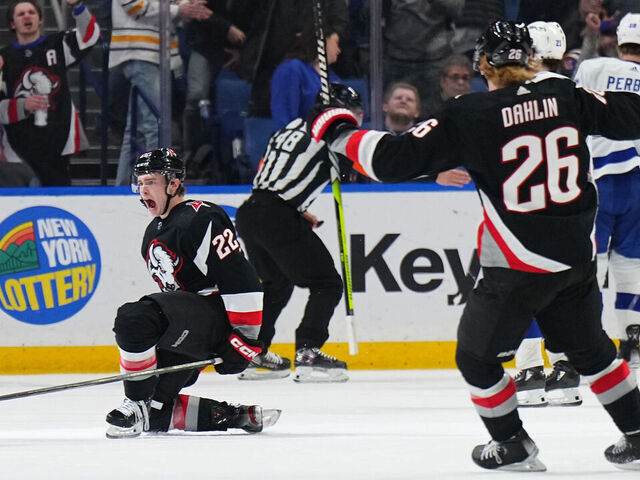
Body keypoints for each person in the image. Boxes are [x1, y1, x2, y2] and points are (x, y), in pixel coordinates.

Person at [310, 20, 640, 471]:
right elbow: (630, 115)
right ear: (528, 60)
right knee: (594, 353)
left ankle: (512, 444)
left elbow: (392, 160)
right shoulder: (567, 95)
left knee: (475, 357)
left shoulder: (471, 113)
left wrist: (338, 133)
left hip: (519, 265)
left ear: (483, 64)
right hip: (574, 258)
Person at [105, 148, 280, 438]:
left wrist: (245, 339)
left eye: (150, 181)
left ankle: (134, 403)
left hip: (214, 318)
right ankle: (234, 415)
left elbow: (240, 277)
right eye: (140, 182)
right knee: (157, 411)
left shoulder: (201, 217)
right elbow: (173, 295)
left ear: (173, 184)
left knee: (134, 318)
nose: (143, 189)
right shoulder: (152, 232)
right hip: (189, 325)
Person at [233, 83, 360, 383]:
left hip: (251, 211)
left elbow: (275, 176)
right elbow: (361, 166)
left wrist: (296, 209)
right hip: (277, 215)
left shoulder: (290, 127)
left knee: (277, 283)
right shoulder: (332, 135)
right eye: (355, 114)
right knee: (327, 283)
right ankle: (308, 351)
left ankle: (254, 353)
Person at [511, 21, 582, 409]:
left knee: (521, 290)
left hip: (526, 207)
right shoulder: (578, 93)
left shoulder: (512, 96)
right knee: (567, 291)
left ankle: (528, 371)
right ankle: (565, 367)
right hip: (574, 208)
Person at [573, 13, 640, 369]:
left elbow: (572, 108)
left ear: (620, 41)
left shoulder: (593, 68)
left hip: (598, 179)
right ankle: (634, 332)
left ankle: (590, 341)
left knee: (591, 265)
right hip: (637, 183)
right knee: (631, 261)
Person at [110, 0, 212, 186]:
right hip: (141, 53)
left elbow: (171, 9)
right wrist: (180, 9)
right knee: (154, 125)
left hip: (152, 55)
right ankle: (155, 185)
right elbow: (134, 6)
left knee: (137, 129)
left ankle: (123, 186)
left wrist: (186, 7)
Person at [0, 0, 100, 186]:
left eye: (31, 12)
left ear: (40, 19)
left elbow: (89, 36)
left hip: (56, 143)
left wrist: (78, 6)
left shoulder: (57, 45)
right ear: (12, 24)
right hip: (17, 150)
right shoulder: (4, 59)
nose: (27, 16)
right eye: (21, 14)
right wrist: (22, 105)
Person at [182, 1, 246, 167]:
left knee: (236, 103)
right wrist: (227, 29)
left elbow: (257, 18)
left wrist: (243, 51)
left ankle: (229, 156)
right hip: (205, 45)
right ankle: (191, 150)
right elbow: (199, 11)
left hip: (238, 50)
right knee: (196, 96)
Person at [382, 0, 463, 117]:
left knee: (434, 115)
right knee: (395, 115)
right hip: (397, 59)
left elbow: (456, 8)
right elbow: (370, 14)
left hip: (434, 61)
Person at [382, 81, 471, 188]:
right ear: (385, 106)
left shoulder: (429, 139)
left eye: (409, 99)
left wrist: (434, 176)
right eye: (398, 98)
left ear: (417, 112)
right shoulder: (372, 137)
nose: (403, 101)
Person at [270, 26, 342, 130]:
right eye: (336, 43)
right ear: (324, 42)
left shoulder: (331, 76)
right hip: (301, 140)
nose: (338, 50)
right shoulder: (291, 69)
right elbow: (285, 116)